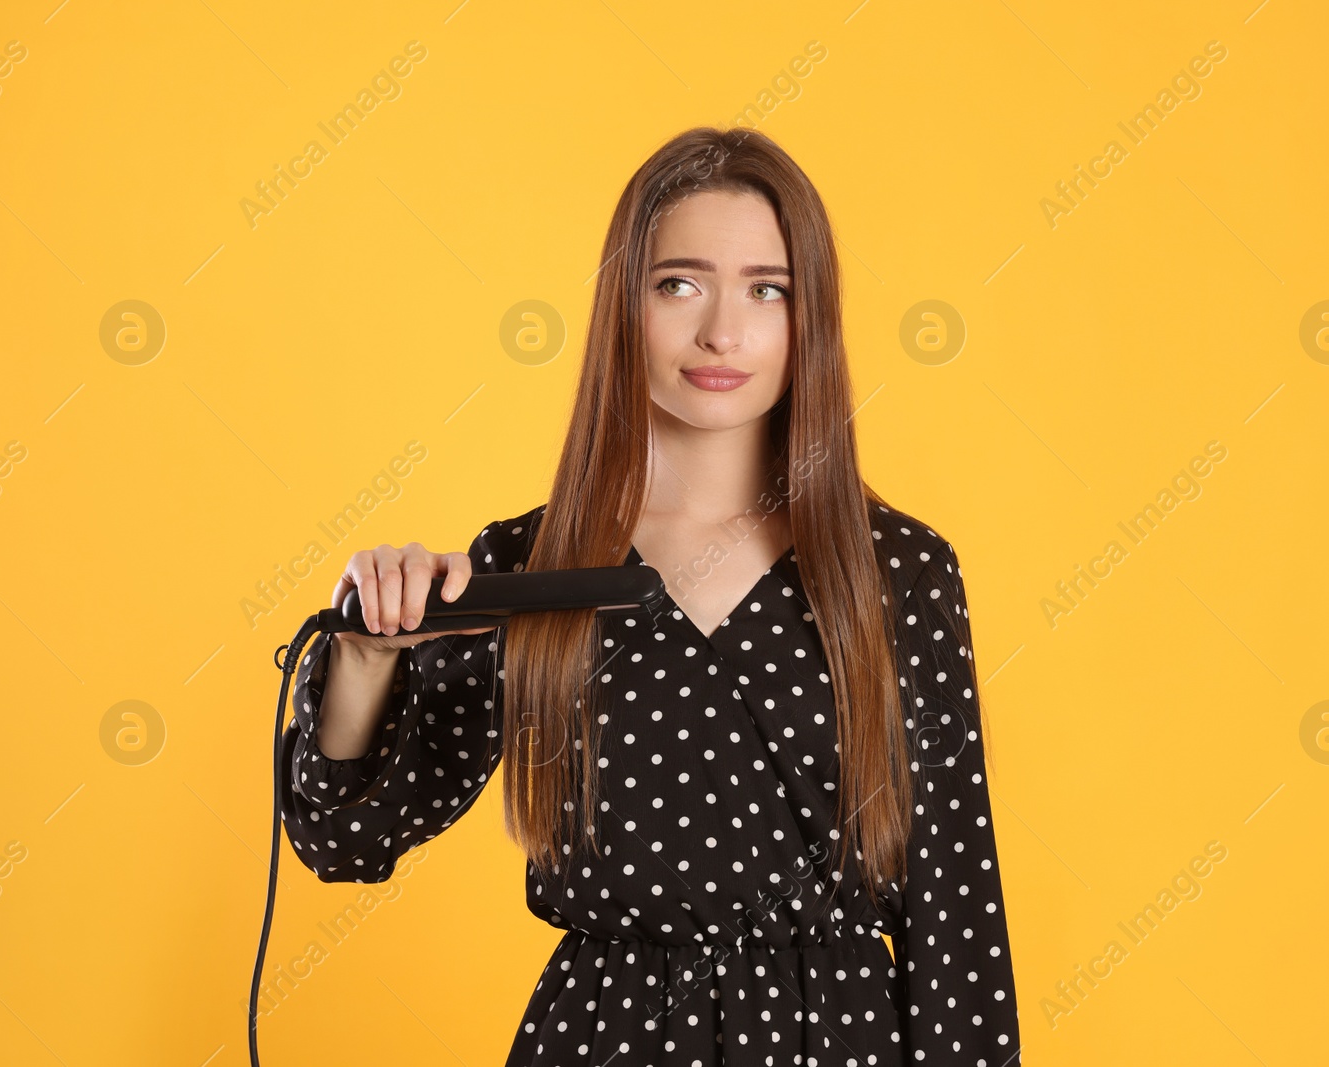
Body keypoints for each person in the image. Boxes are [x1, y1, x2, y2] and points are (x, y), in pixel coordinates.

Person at [279, 126, 1023, 1065]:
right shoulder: (528, 566)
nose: (722, 330)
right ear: (623, 308)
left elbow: (957, 912)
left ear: (812, 318)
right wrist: (367, 654)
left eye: (767, 289)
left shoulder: (899, 571)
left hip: (837, 1041)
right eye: (680, 283)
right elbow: (345, 840)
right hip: (603, 1038)